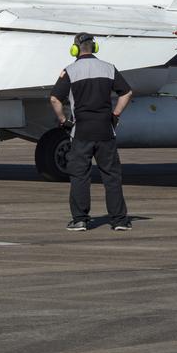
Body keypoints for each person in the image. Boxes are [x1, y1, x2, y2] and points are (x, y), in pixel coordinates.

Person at [50, 32, 135, 231]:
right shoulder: (108, 68)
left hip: (81, 133)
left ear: (75, 49)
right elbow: (127, 92)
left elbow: (54, 99)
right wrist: (115, 115)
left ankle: (80, 219)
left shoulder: (70, 71)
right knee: (111, 176)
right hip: (105, 131)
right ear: (94, 47)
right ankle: (119, 220)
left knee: (80, 176)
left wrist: (63, 120)